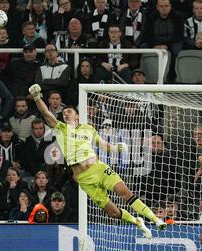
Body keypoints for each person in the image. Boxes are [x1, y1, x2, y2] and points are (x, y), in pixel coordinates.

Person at [29, 83, 167, 238]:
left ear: (77, 116)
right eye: (64, 113)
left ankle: (156, 220)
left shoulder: (88, 129)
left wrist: (116, 148)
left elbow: (103, 145)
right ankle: (137, 222)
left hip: (99, 169)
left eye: (69, 112)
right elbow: (46, 113)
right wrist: (36, 97)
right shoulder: (61, 128)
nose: (66, 114)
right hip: (84, 179)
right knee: (113, 212)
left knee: (125, 193)